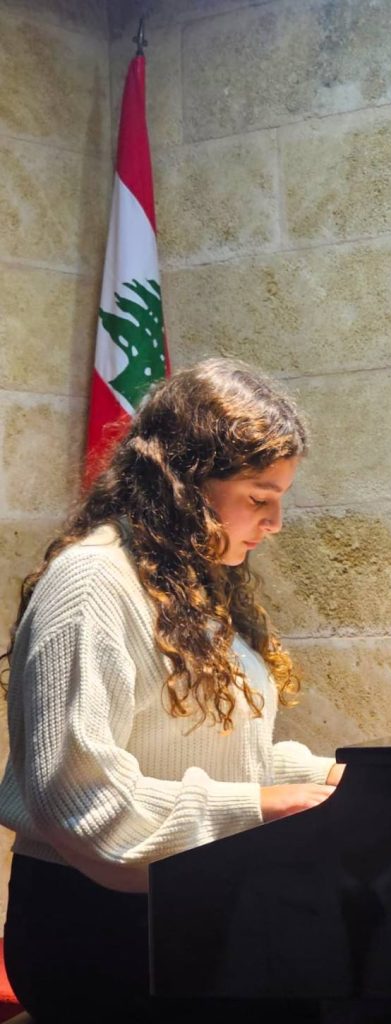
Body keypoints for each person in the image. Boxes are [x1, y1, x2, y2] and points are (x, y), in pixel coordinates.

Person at [0, 359, 343, 1023]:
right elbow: (82, 797)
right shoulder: (92, 582)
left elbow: (199, 750)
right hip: (97, 927)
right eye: (259, 497)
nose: (275, 522)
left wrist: (330, 775)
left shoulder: (183, 581)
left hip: (184, 902)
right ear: (186, 483)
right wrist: (263, 806)